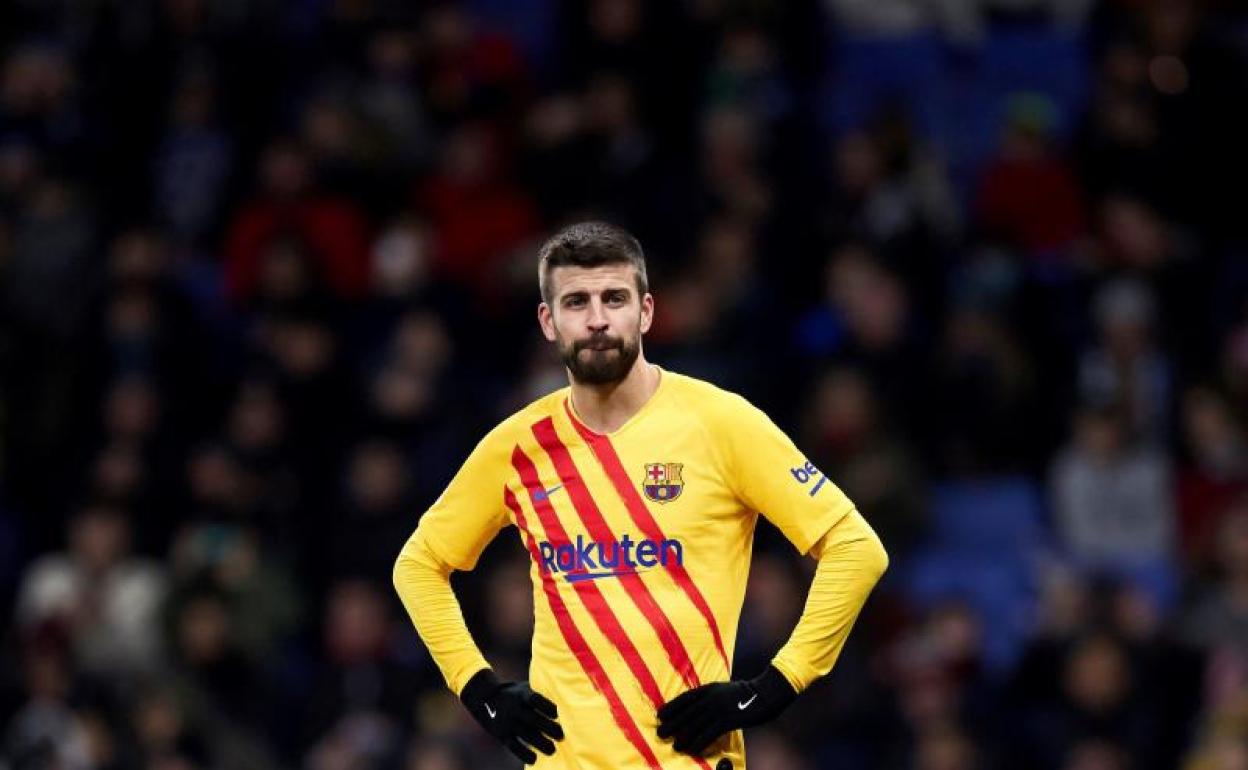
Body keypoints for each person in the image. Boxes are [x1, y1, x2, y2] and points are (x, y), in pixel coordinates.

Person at [393, 222, 889, 769]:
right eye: (576, 302)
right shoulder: (518, 446)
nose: (598, 319)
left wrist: (775, 686)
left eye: (615, 299)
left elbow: (856, 547)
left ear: (646, 312)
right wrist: (477, 688)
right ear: (548, 321)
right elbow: (418, 564)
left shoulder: (720, 423)